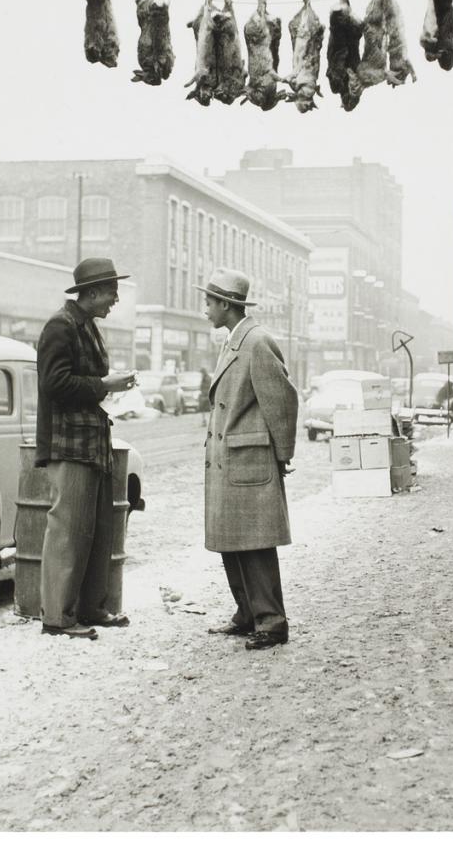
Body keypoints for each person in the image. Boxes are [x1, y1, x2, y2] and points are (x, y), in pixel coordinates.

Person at [194, 268, 298, 650]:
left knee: (254, 543)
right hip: (232, 461)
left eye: (209, 302)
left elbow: (282, 400)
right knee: (231, 541)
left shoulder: (256, 342)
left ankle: (271, 622)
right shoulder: (234, 341)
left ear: (226, 305)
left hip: (248, 461)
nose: (205, 308)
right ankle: (246, 613)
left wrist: (283, 453)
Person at [35, 257, 138, 639]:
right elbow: (55, 385)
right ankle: (58, 619)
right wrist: (106, 385)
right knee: (67, 531)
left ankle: (91, 609)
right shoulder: (60, 327)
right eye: (112, 292)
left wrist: (106, 385)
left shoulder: (85, 326)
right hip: (70, 444)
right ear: (92, 292)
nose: (114, 299)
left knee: (94, 530)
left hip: (88, 442)